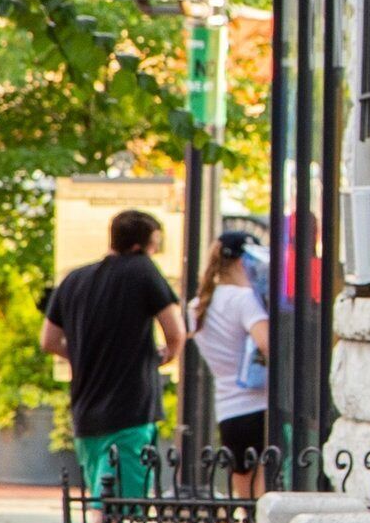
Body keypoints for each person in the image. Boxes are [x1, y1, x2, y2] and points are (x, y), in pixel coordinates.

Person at [41, 210, 186, 500]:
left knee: (100, 494)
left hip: (86, 410)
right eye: (155, 244)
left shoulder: (74, 279)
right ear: (139, 246)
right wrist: (166, 355)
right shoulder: (142, 269)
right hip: (130, 410)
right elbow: (176, 331)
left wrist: (82, 355)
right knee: (114, 506)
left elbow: (49, 340)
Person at [188, 231, 271, 475]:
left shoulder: (197, 306)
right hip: (259, 404)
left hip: (228, 409)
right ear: (242, 261)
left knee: (243, 490)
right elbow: (265, 343)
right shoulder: (244, 299)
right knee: (265, 493)